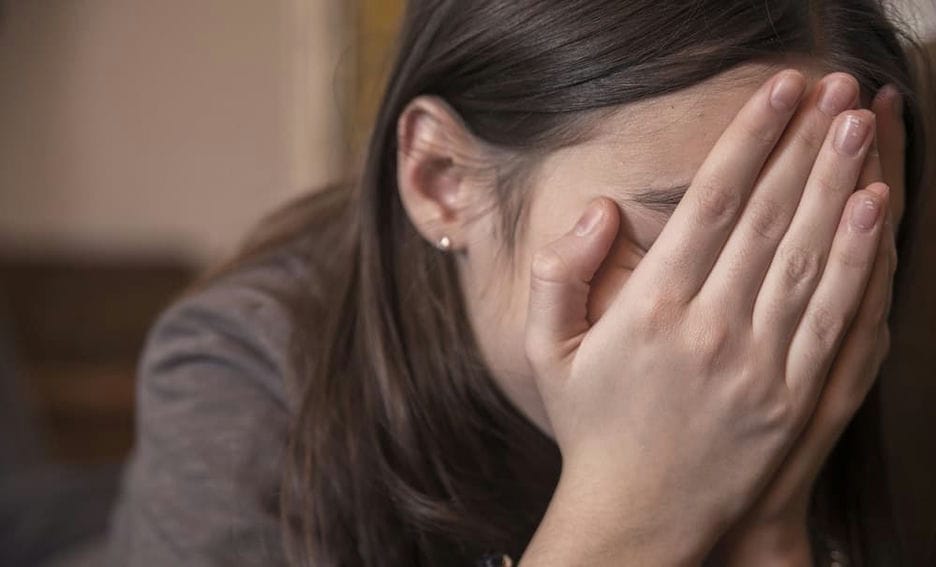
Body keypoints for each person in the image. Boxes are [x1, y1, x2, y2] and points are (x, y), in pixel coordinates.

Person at [105, 1, 934, 565]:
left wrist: (768, 534)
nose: (748, 330)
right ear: (440, 180)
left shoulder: (876, 322)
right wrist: (636, 512)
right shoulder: (241, 380)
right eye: (686, 240)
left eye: (814, 241)